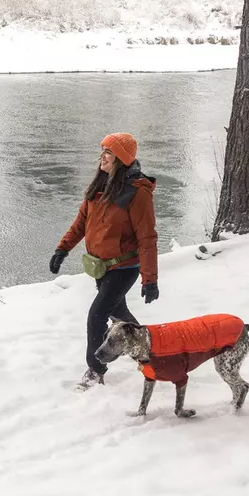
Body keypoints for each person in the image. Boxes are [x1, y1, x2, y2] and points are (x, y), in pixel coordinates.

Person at [50, 132, 160, 391]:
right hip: (101, 268)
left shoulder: (137, 194)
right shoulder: (99, 187)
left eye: (108, 153)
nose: (102, 157)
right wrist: (62, 249)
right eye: (102, 151)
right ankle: (149, 349)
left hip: (124, 268)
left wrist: (150, 279)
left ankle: (95, 369)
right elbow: (80, 224)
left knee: (97, 316)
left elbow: (147, 238)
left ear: (121, 159)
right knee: (118, 314)